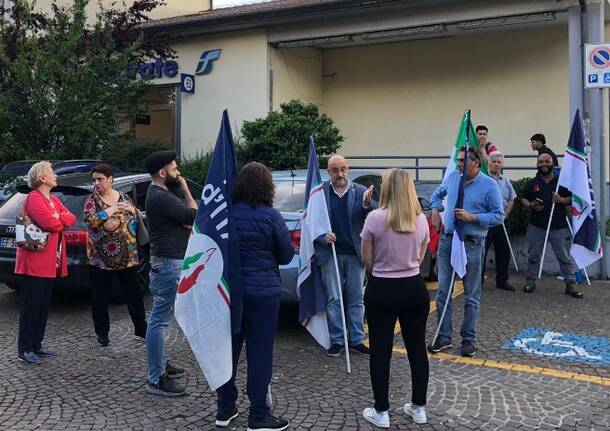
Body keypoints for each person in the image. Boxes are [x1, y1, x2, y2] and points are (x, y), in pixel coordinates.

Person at [216, 162, 294, 431]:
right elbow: (285, 255)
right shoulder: (272, 216)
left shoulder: (226, 215)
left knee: (229, 352)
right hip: (264, 293)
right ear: (267, 187)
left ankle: (225, 407)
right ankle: (259, 414)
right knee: (259, 354)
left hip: (232, 293)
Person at [360, 169, 431, 428]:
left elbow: (366, 259)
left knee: (380, 351)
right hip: (413, 286)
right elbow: (421, 257)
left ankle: (381, 412)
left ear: (387, 189)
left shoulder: (374, 218)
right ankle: (419, 407)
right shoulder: (420, 219)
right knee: (417, 349)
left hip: (382, 287)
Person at [428, 147, 503, 357]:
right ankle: (443, 337)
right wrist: (435, 209)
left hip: (472, 243)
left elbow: (498, 216)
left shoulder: (489, 185)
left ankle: (468, 339)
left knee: (471, 294)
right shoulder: (453, 177)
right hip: (448, 241)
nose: (458, 164)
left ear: (476, 162)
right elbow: (437, 194)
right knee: (443, 291)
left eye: (462, 161)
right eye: (458, 160)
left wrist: (473, 218)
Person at [144, 150, 197, 396]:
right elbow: (193, 216)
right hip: (167, 264)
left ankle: (161, 364)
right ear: (162, 172)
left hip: (168, 262)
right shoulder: (161, 197)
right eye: (175, 168)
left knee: (161, 318)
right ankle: (156, 378)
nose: (179, 173)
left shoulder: (161, 194)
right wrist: (186, 189)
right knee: (159, 320)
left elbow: (186, 220)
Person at [15, 161, 76, 364]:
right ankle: (25, 349)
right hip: (34, 263)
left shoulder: (51, 199)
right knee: (31, 307)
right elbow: (51, 223)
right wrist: (58, 219)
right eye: (52, 173)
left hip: (49, 262)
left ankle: (37, 345)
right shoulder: (34, 198)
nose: (55, 176)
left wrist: (57, 218)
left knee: (41, 306)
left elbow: (71, 217)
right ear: (42, 178)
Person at [315, 154, 375, 357]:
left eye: (343, 169)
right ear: (328, 171)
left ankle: (357, 339)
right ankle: (338, 340)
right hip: (330, 253)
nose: (339, 174)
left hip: (354, 253)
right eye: (335, 170)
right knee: (333, 298)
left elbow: (372, 219)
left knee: (356, 298)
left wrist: (367, 205)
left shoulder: (360, 192)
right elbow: (311, 222)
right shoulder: (320, 193)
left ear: (348, 169)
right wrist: (322, 237)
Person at [83, 164, 147, 347]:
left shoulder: (123, 196)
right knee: (100, 297)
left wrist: (131, 210)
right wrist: (111, 210)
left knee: (134, 294)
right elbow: (90, 220)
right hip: (100, 259)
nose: (96, 183)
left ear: (110, 179)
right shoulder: (92, 199)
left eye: (100, 179)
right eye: (94, 179)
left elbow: (136, 214)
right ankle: (102, 333)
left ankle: (141, 330)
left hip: (127, 257)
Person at [520, 153, 583, 298]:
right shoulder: (532, 183)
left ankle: (571, 283)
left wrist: (561, 199)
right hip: (537, 226)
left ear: (552, 163)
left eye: (546, 162)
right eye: (540, 162)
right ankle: (530, 280)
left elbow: (573, 199)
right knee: (534, 256)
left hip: (559, 226)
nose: (543, 164)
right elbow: (523, 198)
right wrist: (530, 205)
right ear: (537, 164)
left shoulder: (562, 182)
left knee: (564, 257)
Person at [482, 152, 517, 291]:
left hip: (501, 221)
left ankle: (502, 280)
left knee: (503, 251)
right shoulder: (482, 179)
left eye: (499, 162)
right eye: (494, 161)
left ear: (502, 164)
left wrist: (506, 213)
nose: (496, 164)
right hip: (486, 220)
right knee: (481, 251)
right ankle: (477, 281)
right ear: (488, 163)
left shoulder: (505, 180)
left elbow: (512, 199)